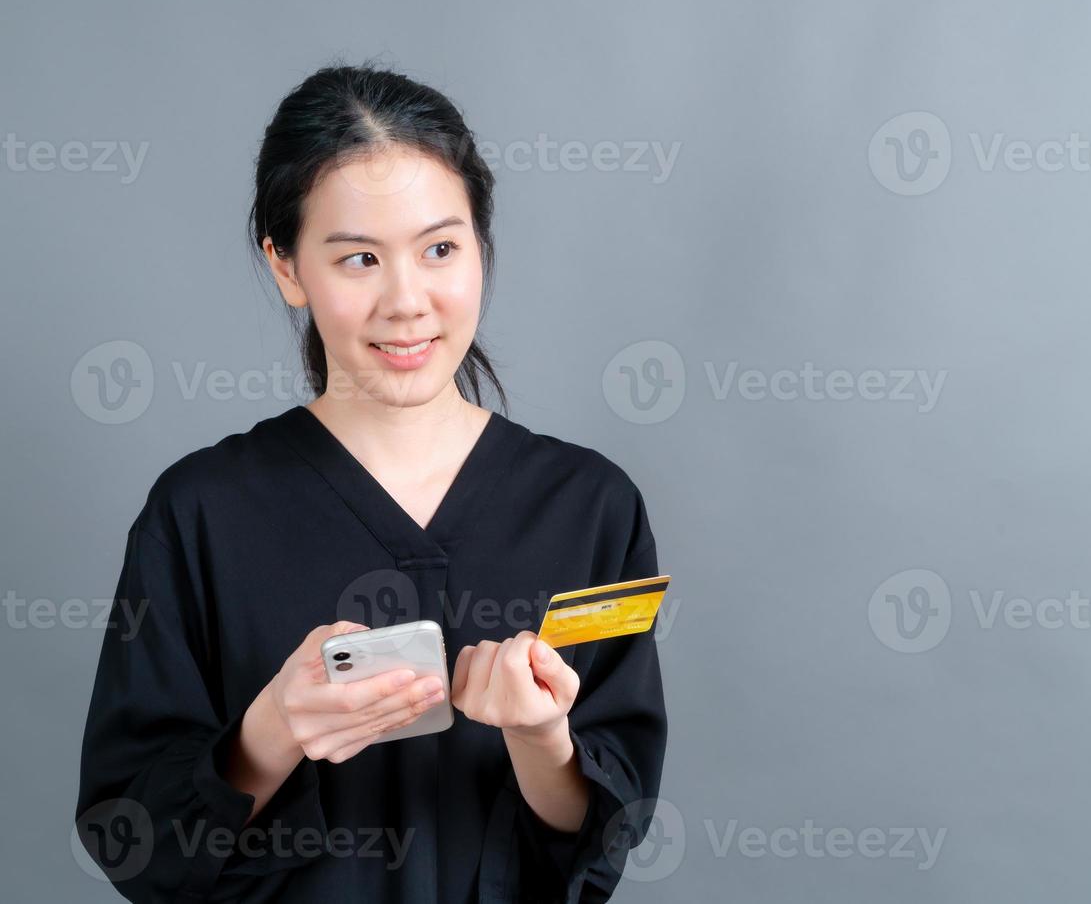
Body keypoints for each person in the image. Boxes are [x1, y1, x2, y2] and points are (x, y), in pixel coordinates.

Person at [74, 62, 666, 903]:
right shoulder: (201, 513)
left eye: (440, 249)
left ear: (480, 248)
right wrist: (272, 730)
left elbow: (600, 839)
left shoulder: (591, 508)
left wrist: (541, 737)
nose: (407, 301)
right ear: (286, 267)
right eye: (358, 258)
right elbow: (130, 840)